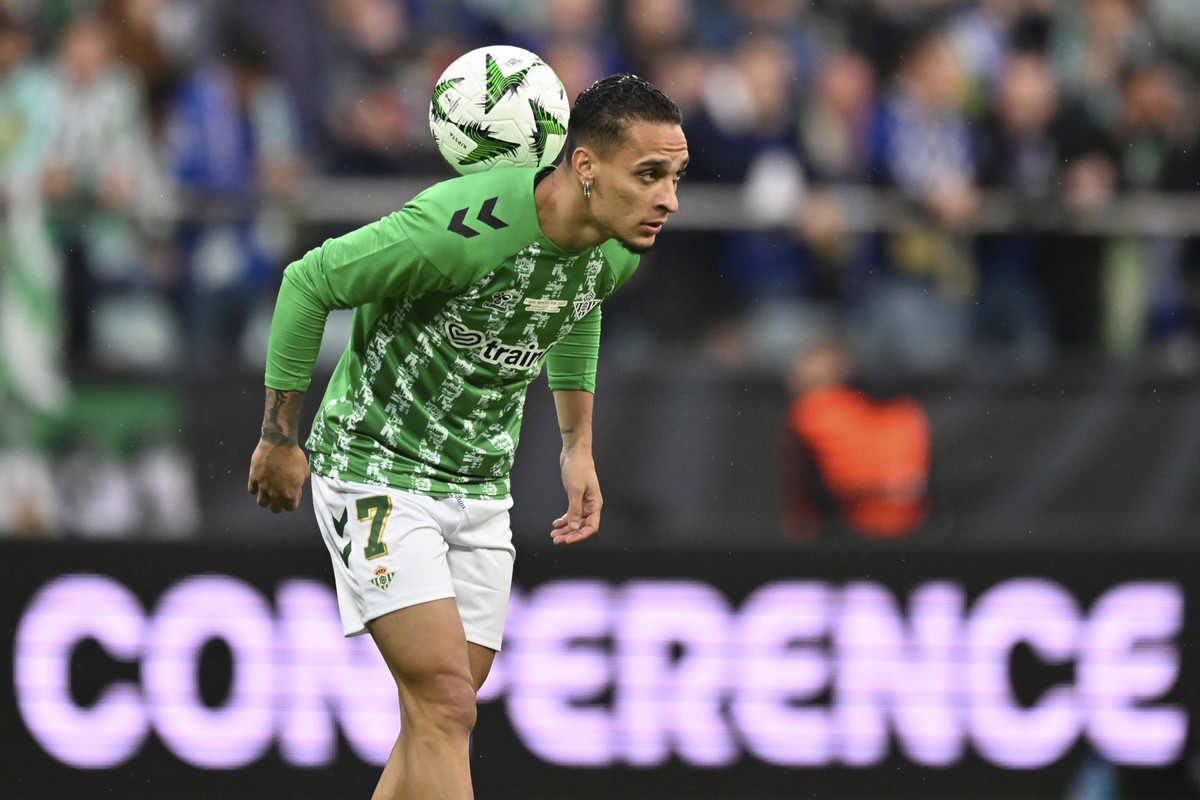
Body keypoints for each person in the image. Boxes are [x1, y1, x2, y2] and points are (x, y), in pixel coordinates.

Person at [246, 73, 687, 799]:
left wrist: (577, 442)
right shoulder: (457, 228)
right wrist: (278, 435)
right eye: (648, 175)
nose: (668, 198)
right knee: (447, 702)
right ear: (583, 166)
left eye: (674, 176)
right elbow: (307, 281)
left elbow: (578, 306)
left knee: (437, 716)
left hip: (480, 487)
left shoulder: (617, 250)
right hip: (376, 467)